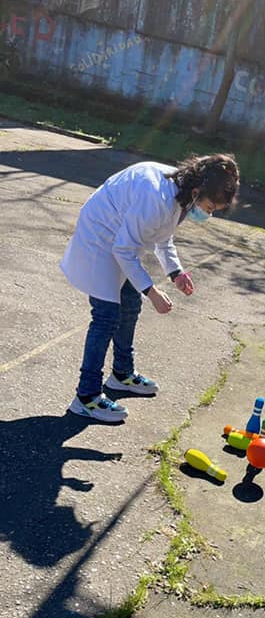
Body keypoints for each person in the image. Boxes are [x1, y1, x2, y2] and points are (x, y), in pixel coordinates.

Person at [61, 153, 240, 423]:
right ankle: (86, 397)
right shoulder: (157, 195)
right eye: (210, 207)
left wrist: (175, 272)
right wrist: (152, 292)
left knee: (130, 305)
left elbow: (162, 237)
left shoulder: (181, 191)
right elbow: (123, 249)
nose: (209, 214)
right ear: (197, 192)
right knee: (106, 317)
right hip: (99, 238)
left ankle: (122, 374)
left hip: (119, 239)